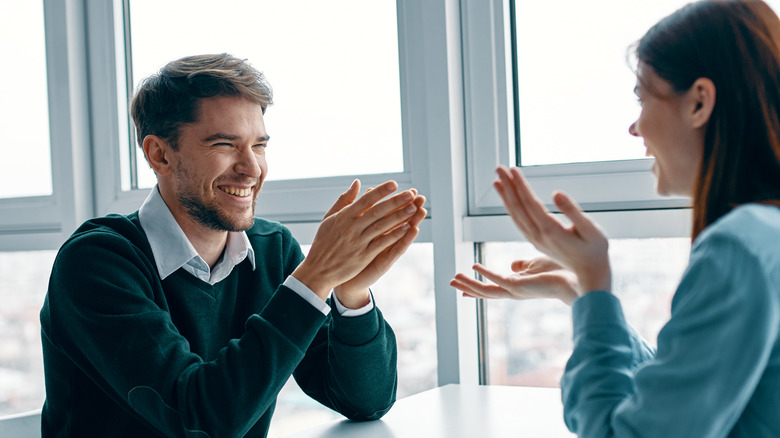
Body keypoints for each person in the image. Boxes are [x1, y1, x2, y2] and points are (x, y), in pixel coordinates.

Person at [40, 53, 427, 437]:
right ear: (159, 154)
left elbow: (365, 402)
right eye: (225, 144)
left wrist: (351, 290)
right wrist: (314, 277)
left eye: (259, 145)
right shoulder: (96, 262)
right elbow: (202, 421)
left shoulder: (272, 250)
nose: (252, 168)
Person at [450, 1, 780, 436]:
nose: (635, 128)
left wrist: (594, 279)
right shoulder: (765, 236)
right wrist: (583, 296)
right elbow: (674, 396)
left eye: (643, 98)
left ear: (699, 102)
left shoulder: (736, 249)